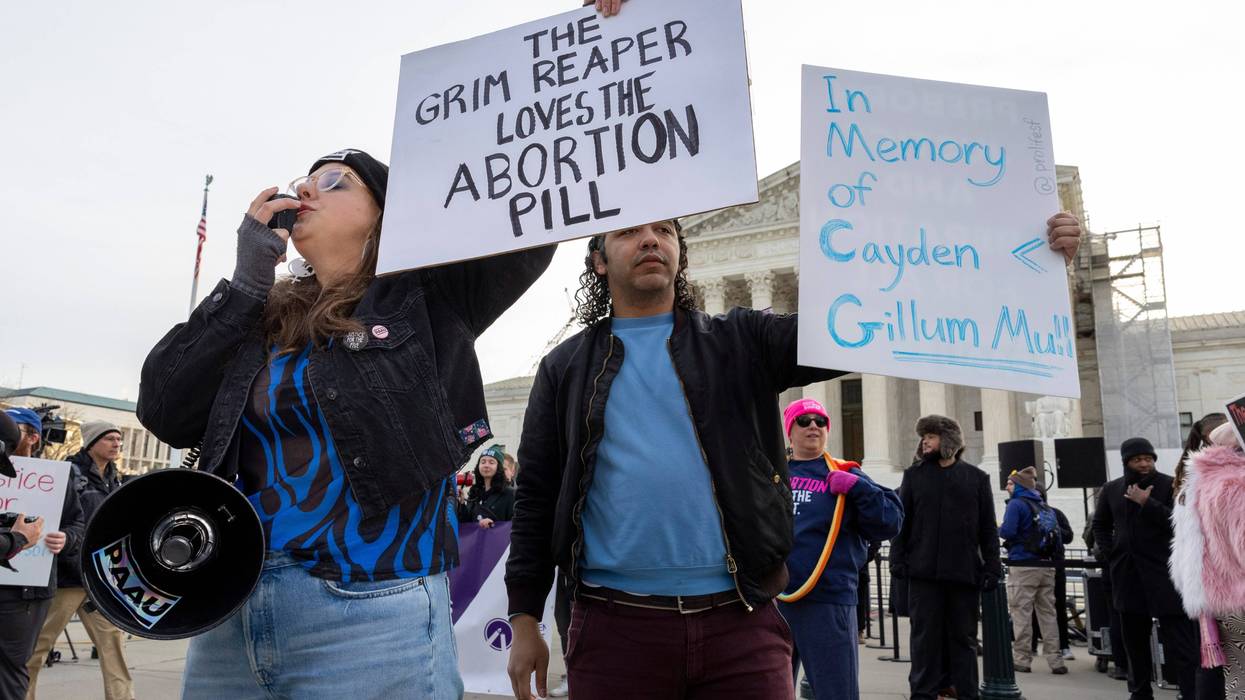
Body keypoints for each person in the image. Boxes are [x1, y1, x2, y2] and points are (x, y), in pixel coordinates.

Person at [137, 148, 554, 698]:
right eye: (303, 182)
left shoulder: (429, 302)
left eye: (335, 181)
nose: (307, 190)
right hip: (232, 611)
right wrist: (244, 287)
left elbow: (535, 220)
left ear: (385, 214)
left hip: (370, 611)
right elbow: (164, 409)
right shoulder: (260, 320)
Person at [778, 398, 902, 699]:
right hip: (775, 601)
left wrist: (861, 490)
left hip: (828, 599)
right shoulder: (774, 475)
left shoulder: (848, 474)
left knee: (836, 691)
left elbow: (890, 522)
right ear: (789, 430)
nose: (813, 426)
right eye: (804, 420)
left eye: (820, 421)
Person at [890, 415, 1002, 700]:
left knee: (963, 640)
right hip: (923, 573)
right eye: (924, 437)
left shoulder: (977, 478)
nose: (925, 441)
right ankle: (923, 694)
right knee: (924, 641)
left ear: (949, 441)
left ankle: (967, 693)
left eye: (932, 436)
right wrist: (898, 558)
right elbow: (903, 522)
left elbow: (988, 528)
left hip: (963, 574)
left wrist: (992, 565)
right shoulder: (913, 476)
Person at [24, 420, 132, 700]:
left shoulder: (114, 477)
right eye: (109, 438)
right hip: (68, 575)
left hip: (101, 577)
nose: (116, 444)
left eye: (119, 439)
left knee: (112, 645)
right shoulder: (67, 473)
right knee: (39, 646)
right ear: (92, 442)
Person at [1092, 437, 1198, 699]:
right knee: (1134, 643)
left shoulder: (1170, 485)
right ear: (1127, 462)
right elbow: (1100, 526)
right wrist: (1111, 553)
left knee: (1180, 642)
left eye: (1148, 459)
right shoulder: (1113, 489)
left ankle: (1189, 691)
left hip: (1164, 575)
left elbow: (1179, 523)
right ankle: (1139, 692)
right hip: (1127, 576)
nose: (1144, 464)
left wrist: (1146, 503)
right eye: (1138, 459)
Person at [0, 410, 82, 700]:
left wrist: (67, 538)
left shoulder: (54, 478)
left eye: (14, 430)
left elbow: (78, 523)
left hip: (26, 593)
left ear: (33, 436)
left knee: (10, 669)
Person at [1172, 419, 1243, 699]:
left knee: (1236, 680)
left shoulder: (1195, 485)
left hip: (1214, 599)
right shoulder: (1235, 483)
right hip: (1239, 594)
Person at [998, 466, 1067, 674]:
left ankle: (1022, 658)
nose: (1007, 487)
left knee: (1022, 613)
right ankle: (1056, 660)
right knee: (1048, 614)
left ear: (1018, 486)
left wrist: (996, 528)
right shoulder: (1045, 506)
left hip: (1023, 564)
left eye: (1010, 483)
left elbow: (1008, 531)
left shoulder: (1017, 505)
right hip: (1046, 566)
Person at [457, 445, 515, 527]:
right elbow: (467, 525)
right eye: (483, 462)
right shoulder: (475, 494)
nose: (486, 465)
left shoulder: (510, 494)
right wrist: (461, 503)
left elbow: (515, 525)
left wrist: (493, 525)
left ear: (499, 467)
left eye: (491, 462)